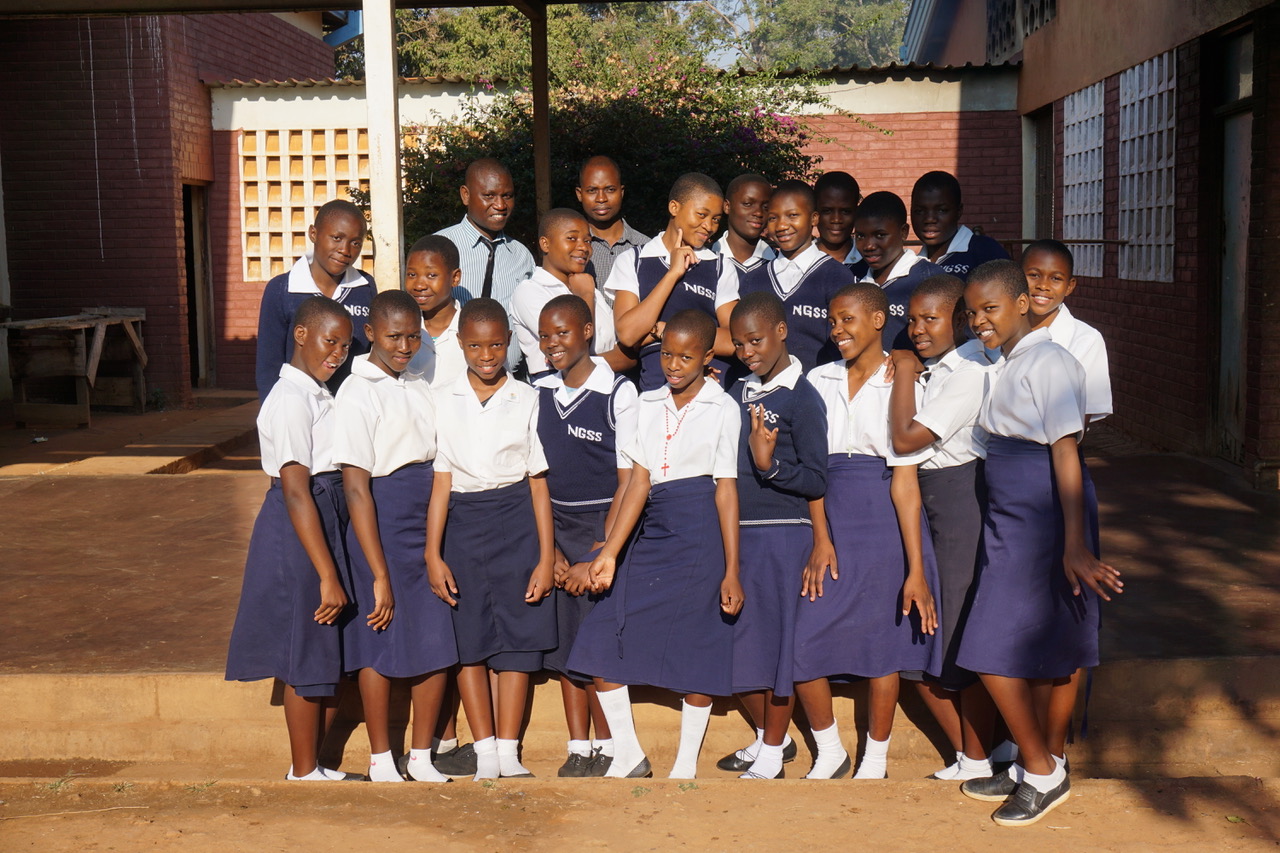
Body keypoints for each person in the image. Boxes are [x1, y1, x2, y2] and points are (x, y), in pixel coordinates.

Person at [955, 260, 1122, 826]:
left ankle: (1044, 771)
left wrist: (1074, 543)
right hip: (1012, 515)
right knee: (1034, 643)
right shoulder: (1011, 361)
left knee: (989, 645)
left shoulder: (1048, 361)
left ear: (1022, 304)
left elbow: (1065, 452)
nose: (979, 320)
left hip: (1043, 515)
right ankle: (1036, 765)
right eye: (972, 312)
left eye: (990, 308)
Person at [567, 310, 743, 780]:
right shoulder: (646, 403)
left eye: (686, 357)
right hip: (655, 526)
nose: (674, 365)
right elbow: (638, 483)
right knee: (601, 634)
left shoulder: (723, 407)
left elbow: (726, 489)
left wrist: (732, 569)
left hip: (702, 528)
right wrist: (608, 553)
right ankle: (628, 755)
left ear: (708, 358)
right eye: (667, 354)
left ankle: (684, 767)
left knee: (699, 644)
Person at [796, 282, 941, 780]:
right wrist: (821, 538)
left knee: (883, 645)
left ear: (878, 320)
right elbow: (812, 470)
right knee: (804, 640)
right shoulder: (817, 380)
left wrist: (915, 568)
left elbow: (905, 482)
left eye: (848, 319)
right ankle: (830, 752)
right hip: (829, 515)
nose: (837, 330)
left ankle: (874, 761)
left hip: (883, 522)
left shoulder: (903, 380)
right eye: (832, 321)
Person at [424, 298, 557, 780]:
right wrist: (433, 553)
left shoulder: (527, 398)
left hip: (516, 520)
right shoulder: (441, 399)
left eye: (497, 345)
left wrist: (546, 557)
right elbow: (441, 483)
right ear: (460, 344)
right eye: (476, 346)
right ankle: (483, 751)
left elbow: (538, 483)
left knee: (519, 635)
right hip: (462, 524)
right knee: (470, 637)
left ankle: (507, 751)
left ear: (510, 344)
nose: (486, 355)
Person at [227, 296, 358, 782]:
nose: (337, 354)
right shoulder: (289, 400)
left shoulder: (318, 393)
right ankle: (304, 770)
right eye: (330, 342)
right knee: (307, 644)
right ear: (301, 335)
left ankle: (314, 764)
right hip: (300, 526)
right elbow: (296, 490)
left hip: (324, 516)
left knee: (327, 643)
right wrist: (327, 574)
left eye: (345, 347)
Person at [333, 290, 455, 784]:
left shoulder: (419, 382)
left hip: (426, 520)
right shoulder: (356, 391)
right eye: (393, 337)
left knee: (435, 635)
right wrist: (378, 572)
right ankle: (381, 758)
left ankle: (421, 756)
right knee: (378, 637)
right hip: (380, 523)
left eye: (413, 337)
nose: (404, 346)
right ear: (370, 334)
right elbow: (356, 488)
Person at [889, 274, 996, 782]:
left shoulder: (970, 371)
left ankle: (979, 756)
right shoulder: (936, 370)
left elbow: (907, 439)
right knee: (925, 633)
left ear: (958, 320)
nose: (917, 330)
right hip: (928, 501)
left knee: (956, 630)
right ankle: (977, 753)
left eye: (930, 319)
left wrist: (903, 371)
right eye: (912, 320)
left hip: (959, 503)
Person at [719, 292, 828, 780]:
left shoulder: (803, 397)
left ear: (781, 332)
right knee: (740, 647)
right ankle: (773, 740)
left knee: (780, 649)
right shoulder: (736, 390)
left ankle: (771, 751)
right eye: (739, 344)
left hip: (783, 536)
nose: (747, 353)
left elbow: (817, 479)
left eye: (756, 341)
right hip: (736, 535)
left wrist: (770, 466)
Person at [533, 294, 639, 777]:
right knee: (564, 645)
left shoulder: (618, 392)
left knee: (595, 643)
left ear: (588, 331)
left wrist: (597, 553)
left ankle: (612, 746)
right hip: (554, 529)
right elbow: (532, 478)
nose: (552, 343)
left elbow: (628, 482)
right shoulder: (537, 391)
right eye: (545, 335)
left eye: (563, 332)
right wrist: (551, 551)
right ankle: (579, 746)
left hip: (602, 530)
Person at [605, 172, 740, 391]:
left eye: (715, 219)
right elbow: (628, 334)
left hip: (710, 388)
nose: (709, 226)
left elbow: (735, 340)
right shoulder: (634, 260)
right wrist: (672, 274)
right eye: (701, 215)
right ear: (674, 208)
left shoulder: (719, 266)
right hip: (655, 390)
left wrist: (666, 330)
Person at [255, 200, 373, 402]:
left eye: (355, 243)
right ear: (313, 234)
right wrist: (275, 409)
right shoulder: (282, 289)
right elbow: (269, 364)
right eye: (336, 238)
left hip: (351, 406)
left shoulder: (365, 287)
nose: (345, 250)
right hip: (298, 405)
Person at [739, 180, 853, 371]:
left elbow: (844, 343)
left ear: (814, 218)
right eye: (773, 218)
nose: (782, 225)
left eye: (792, 215)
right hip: (763, 385)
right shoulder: (752, 280)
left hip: (820, 383)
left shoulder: (837, 276)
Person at [509, 208, 628, 378]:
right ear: (545, 244)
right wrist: (585, 296)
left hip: (605, 385)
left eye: (588, 241)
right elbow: (576, 347)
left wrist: (593, 360)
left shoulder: (590, 289)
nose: (583, 247)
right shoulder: (530, 291)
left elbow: (627, 355)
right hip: (557, 386)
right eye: (572, 238)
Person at [1022, 239, 1112, 423]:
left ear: (1070, 286)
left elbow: (1083, 415)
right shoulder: (1000, 331)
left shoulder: (1086, 340)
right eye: (1034, 275)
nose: (1043, 285)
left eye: (1056, 278)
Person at [435, 158, 535, 308]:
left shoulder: (521, 256)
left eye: (507, 196)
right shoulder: (438, 248)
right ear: (465, 195)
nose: (500, 205)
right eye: (489, 196)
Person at [854, 191, 946, 352]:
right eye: (861, 236)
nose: (869, 246)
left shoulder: (930, 278)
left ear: (903, 232)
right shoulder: (852, 276)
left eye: (880, 235)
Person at [910, 171, 1010, 280]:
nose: (929, 219)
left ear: (959, 211)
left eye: (942, 210)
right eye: (919, 211)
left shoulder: (986, 252)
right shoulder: (911, 265)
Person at [403, 235, 467, 390]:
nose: (419, 285)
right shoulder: (400, 330)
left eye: (431, 275)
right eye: (412, 274)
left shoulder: (472, 330)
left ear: (455, 278)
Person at [576, 155, 649, 290]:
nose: (601, 199)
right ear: (579, 194)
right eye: (592, 191)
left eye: (610, 190)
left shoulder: (646, 248)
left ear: (621, 192)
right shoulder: (571, 250)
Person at [712, 174, 776, 277]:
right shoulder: (702, 259)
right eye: (747, 204)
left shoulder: (780, 264)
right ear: (727, 207)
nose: (758, 213)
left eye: (766, 207)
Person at [814, 171, 864, 277]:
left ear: (856, 212)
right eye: (827, 211)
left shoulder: (870, 261)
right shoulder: (799, 261)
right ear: (815, 213)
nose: (836, 219)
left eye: (845, 211)